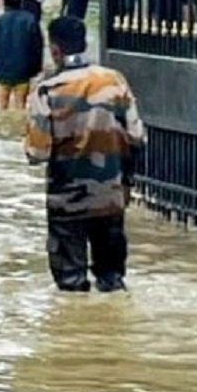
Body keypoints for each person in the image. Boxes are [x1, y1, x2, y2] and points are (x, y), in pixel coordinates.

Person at [25, 16, 147, 292]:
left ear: (54, 49)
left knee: (71, 286)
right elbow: (137, 135)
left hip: (67, 199)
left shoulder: (47, 90)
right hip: (111, 195)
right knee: (112, 281)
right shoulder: (114, 81)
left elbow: (37, 152)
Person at [0, 0, 45, 110]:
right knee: (21, 107)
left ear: (4, 3)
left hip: (1, 71)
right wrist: (36, 68)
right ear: (21, 3)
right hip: (23, 72)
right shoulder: (30, 20)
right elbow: (37, 46)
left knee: (1, 107)